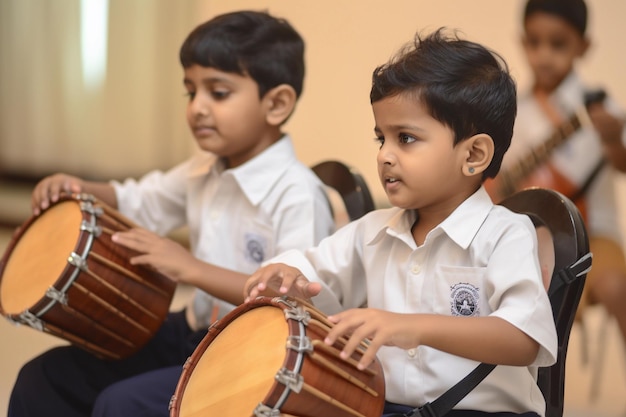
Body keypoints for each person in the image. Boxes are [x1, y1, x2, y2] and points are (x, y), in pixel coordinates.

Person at [9, 10, 334, 417]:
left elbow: (295, 303)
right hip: (195, 333)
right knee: (43, 377)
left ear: (276, 103)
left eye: (217, 93)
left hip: (256, 356)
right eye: (190, 91)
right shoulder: (204, 168)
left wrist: (189, 268)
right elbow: (139, 200)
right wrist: (80, 188)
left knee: (121, 404)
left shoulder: (298, 193)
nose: (197, 107)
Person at [245, 28, 558, 417]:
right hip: (386, 407)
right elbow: (312, 269)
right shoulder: (372, 231)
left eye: (406, 138)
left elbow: (523, 337)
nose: (385, 156)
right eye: (382, 139)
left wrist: (412, 326)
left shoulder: (505, 234)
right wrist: (287, 273)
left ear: (474, 154)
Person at [489, 0, 626, 358]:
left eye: (558, 44)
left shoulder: (600, 107)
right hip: (527, 234)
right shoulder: (512, 108)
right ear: (522, 41)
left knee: (616, 287)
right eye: (533, 43)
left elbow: (622, 163)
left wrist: (612, 139)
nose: (543, 55)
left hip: (593, 233)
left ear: (584, 46)